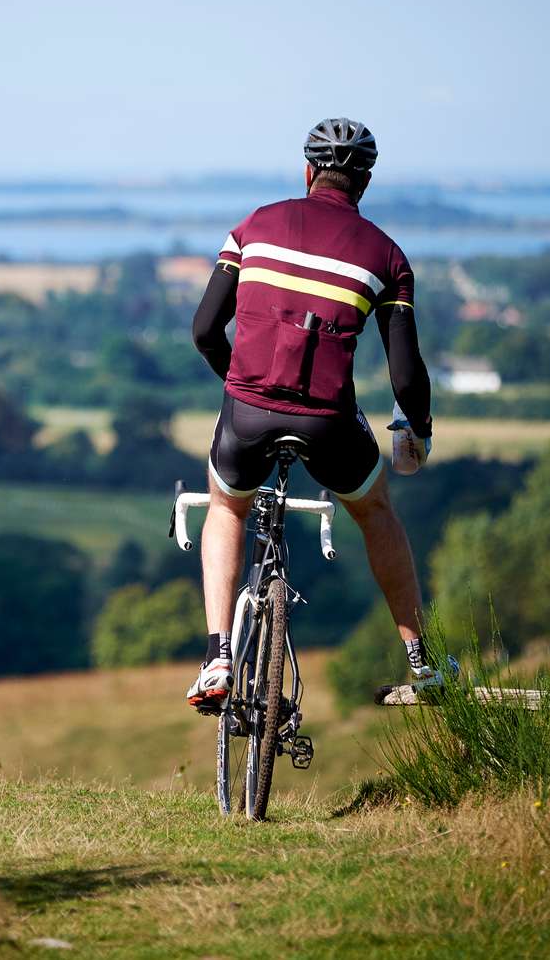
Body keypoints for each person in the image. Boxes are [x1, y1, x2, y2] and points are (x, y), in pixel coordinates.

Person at [184, 117, 444, 712]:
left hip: (246, 411)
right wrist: (418, 431)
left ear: (308, 172)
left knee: (226, 507)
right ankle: (422, 661)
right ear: (365, 183)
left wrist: (241, 384)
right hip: (329, 422)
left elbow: (204, 329)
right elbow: (406, 374)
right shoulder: (388, 256)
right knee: (376, 512)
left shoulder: (253, 226)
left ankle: (217, 655)